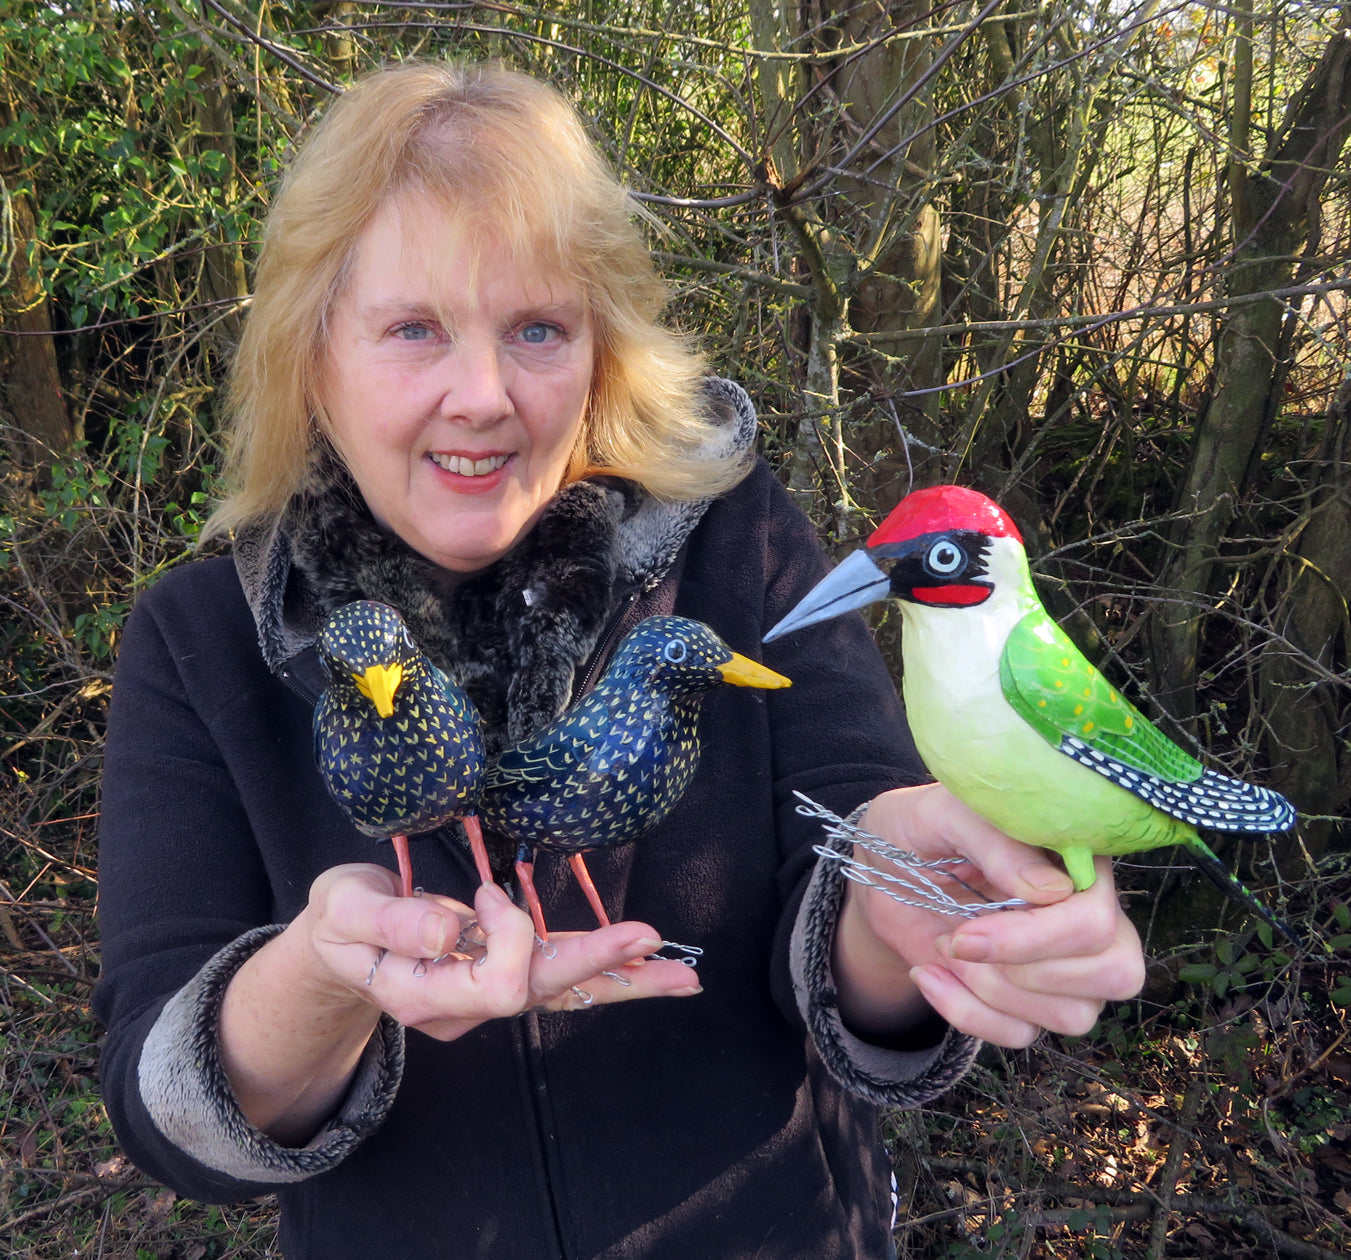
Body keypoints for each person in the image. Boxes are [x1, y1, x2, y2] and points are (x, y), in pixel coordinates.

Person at [94, 60, 1144, 1260]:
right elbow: (162, 1103)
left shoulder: (736, 544)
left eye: (537, 327)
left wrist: (908, 907)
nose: (481, 396)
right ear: (311, 350)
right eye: (413, 329)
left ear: (600, 345)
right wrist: (322, 979)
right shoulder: (202, 638)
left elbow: (853, 843)